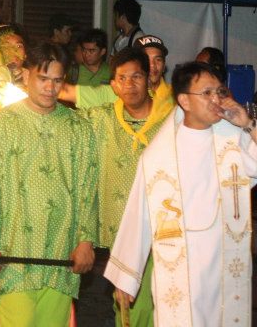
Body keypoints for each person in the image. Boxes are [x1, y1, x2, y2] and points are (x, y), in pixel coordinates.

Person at [105, 62, 257, 326]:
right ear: (184, 100)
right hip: (182, 265)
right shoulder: (160, 157)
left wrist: (248, 123)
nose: (216, 99)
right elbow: (138, 215)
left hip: (223, 261)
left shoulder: (232, 139)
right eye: (206, 93)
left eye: (219, 92)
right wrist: (126, 277)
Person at [0, 42, 97, 326]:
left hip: (61, 255)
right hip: (13, 253)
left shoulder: (78, 128)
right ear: (25, 76)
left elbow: (88, 188)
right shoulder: (2, 124)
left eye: (57, 80)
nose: (50, 88)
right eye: (43, 78)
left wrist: (86, 241)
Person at [78, 47, 174, 327]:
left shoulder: (173, 119)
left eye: (137, 77)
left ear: (149, 78)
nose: (130, 85)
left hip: (164, 231)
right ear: (113, 85)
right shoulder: (100, 120)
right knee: (127, 309)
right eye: (122, 78)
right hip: (121, 235)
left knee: (164, 307)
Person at [61, 34, 171, 112]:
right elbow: (66, 91)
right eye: (147, 59)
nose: (152, 65)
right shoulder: (119, 90)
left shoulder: (176, 97)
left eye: (158, 60)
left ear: (164, 64)